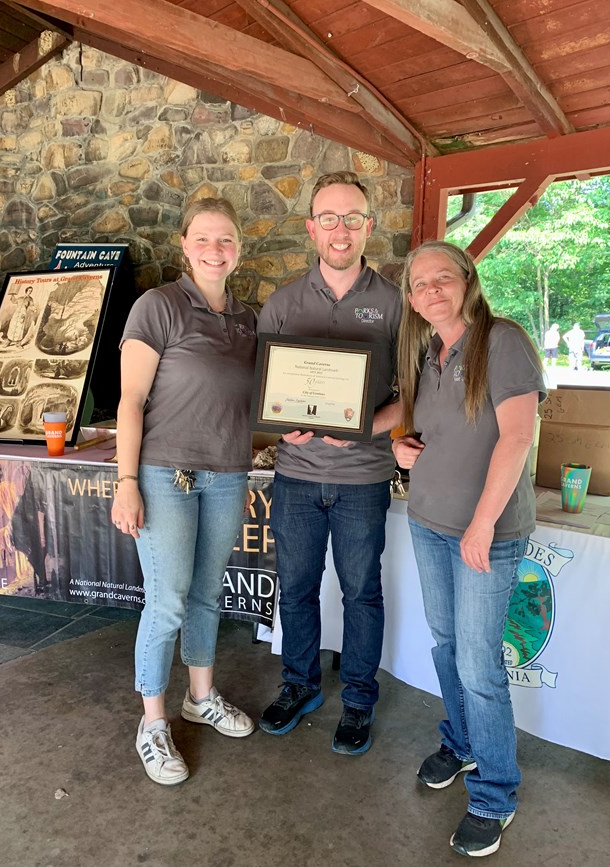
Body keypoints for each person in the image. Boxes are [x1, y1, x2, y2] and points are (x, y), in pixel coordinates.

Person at [392, 240, 545, 857]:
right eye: (420, 283)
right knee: (447, 643)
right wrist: (394, 444)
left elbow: (517, 438)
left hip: (486, 534)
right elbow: (417, 423)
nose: (432, 290)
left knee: (480, 666)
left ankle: (495, 793)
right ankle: (459, 742)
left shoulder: (501, 340)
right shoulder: (429, 352)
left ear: (467, 282)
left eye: (443, 278)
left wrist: (482, 524)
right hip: (428, 521)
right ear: (411, 298)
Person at [111, 198, 258, 786]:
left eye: (226, 240)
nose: (215, 249)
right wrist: (125, 481)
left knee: (204, 596)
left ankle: (200, 697)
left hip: (227, 476)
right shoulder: (159, 306)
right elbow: (130, 401)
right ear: (185, 247)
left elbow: (250, 401)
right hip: (165, 477)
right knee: (167, 600)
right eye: (204, 239)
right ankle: (152, 722)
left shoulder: (250, 318)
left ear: (239, 250)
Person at [257, 171, 402, 755]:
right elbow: (262, 389)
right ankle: (300, 686)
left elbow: (414, 393)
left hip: (364, 480)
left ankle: (359, 700)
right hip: (295, 477)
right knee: (295, 590)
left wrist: (367, 428)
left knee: (361, 592)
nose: (341, 230)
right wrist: (274, 422)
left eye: (353, 218)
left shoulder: (395, 302)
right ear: (312, 228)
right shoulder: (283, 302)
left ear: (368, 226)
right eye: (330, 219)